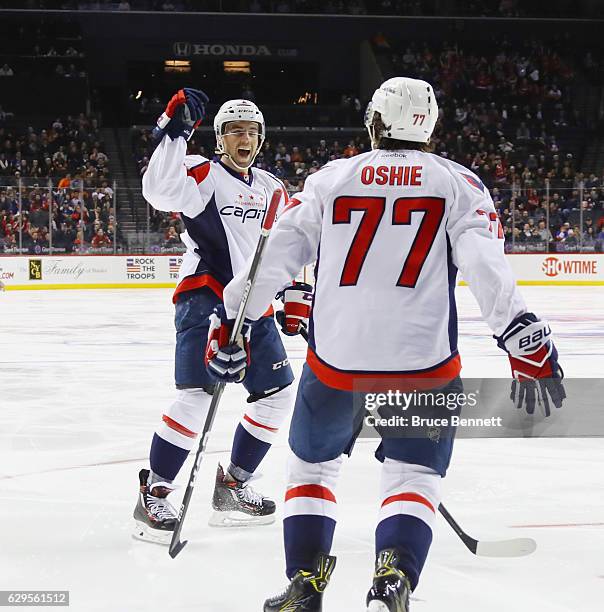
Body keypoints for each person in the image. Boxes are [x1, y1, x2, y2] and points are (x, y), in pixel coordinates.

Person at [208, 77, 566, 611]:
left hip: (337, 363)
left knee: (311, 469)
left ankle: (305, 587)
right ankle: (392, 581)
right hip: (423, 365)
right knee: (413, 472)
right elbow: (485, 268)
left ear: (375, 122)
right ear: (430, 125)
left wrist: (233, 321)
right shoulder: (458, 182)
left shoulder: (331, 178)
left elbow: (275, 255)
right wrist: (523, 337)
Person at [133, 88, 300, 544]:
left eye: (252, 132)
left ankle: (232, 485)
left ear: (261, 139)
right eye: (234, 131)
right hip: (205, 293)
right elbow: (158, 190)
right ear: (220, 138)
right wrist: (175, 132)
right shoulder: (200, 171)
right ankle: (156, 491)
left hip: (255, 303)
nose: (244, 138)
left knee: (276, 395)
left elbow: (283, 249)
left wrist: (294, 295)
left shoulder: (272, 189)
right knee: (197, 396)